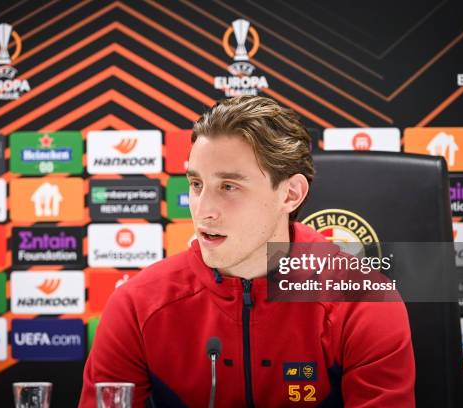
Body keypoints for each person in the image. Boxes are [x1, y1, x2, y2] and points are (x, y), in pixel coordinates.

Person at [79, 96, 415, 407]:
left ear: (291, 194)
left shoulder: (363, 302)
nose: (203, 210)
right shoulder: (137, 305)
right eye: (197, 184)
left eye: (229, 187)